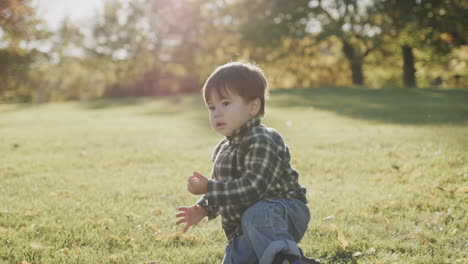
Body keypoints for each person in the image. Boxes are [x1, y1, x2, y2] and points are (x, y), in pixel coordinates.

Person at [176, 61, 318, 264]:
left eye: (225, 103)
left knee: (257, 213)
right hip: (243, 229)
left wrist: (209, 187)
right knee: (237, 256)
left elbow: (253, 188)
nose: (216, 112)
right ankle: (278, 257)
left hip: (283, 213)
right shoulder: (222, 149)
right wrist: (204, 207)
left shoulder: (261, 138)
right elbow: (225, 190)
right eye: (211, 107)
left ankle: (286, 259)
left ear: (253, 106)